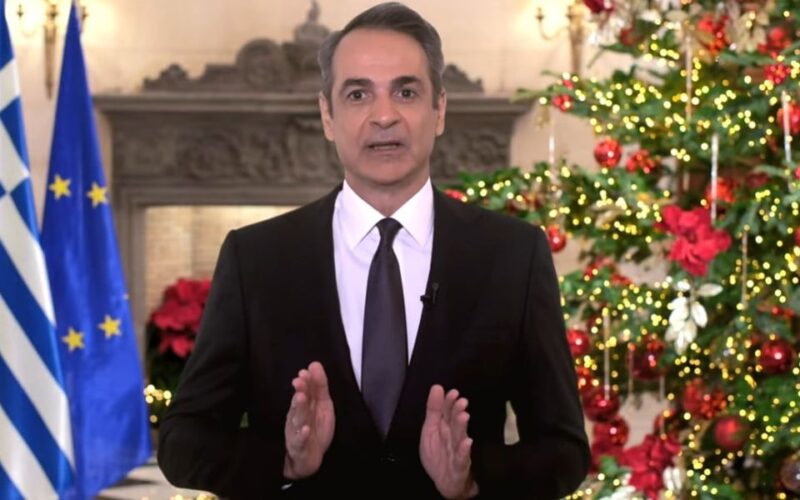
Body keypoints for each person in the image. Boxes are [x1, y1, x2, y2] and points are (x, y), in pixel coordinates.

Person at [157, 2, 590, 498]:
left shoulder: (513, 255)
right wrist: (285, 460)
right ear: (328, 115)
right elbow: (182, 442)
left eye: (406, 92)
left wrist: (474, 477)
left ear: (439, 110)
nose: (384, 116)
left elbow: (564, 451)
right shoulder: (255, 258)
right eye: (358, 94)